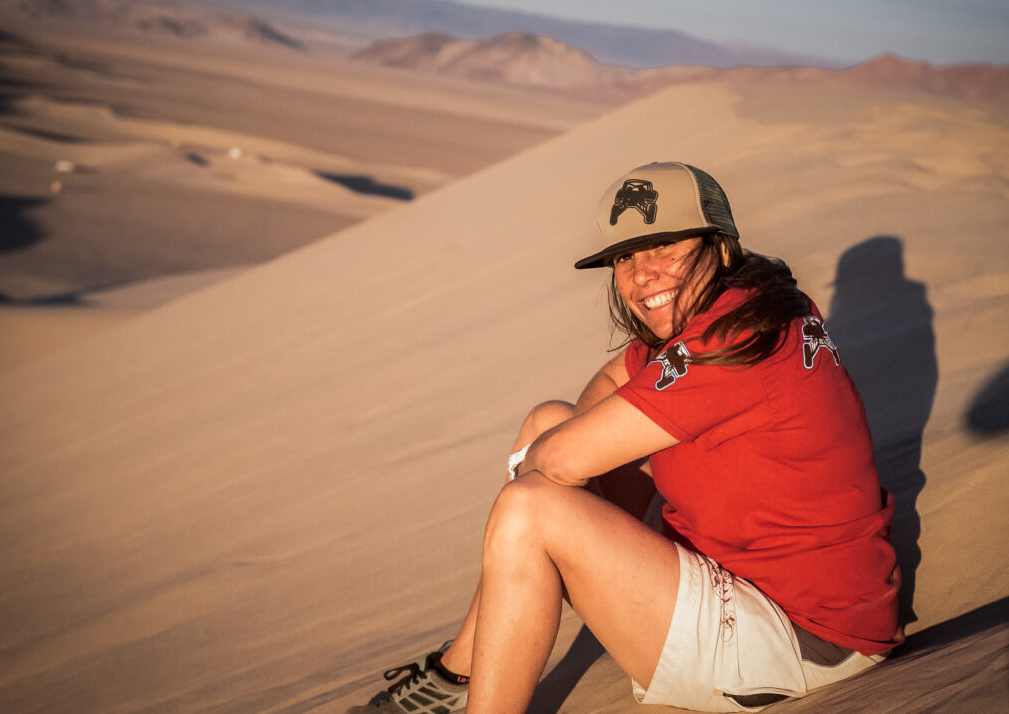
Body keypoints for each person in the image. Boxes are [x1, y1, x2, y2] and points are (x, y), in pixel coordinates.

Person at [347, 162, 904, 714]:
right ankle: (459, 672)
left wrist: (550, 469)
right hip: (756, 594)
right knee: (547, 424)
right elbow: (619, 375)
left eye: (666, 248)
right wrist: (559, 451)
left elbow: (563, 459)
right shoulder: (749, 306)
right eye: (626, 257)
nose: (642, 275)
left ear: (722, 246)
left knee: (530, 507)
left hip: (800, 641)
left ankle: (470, 681)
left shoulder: (737, 344)